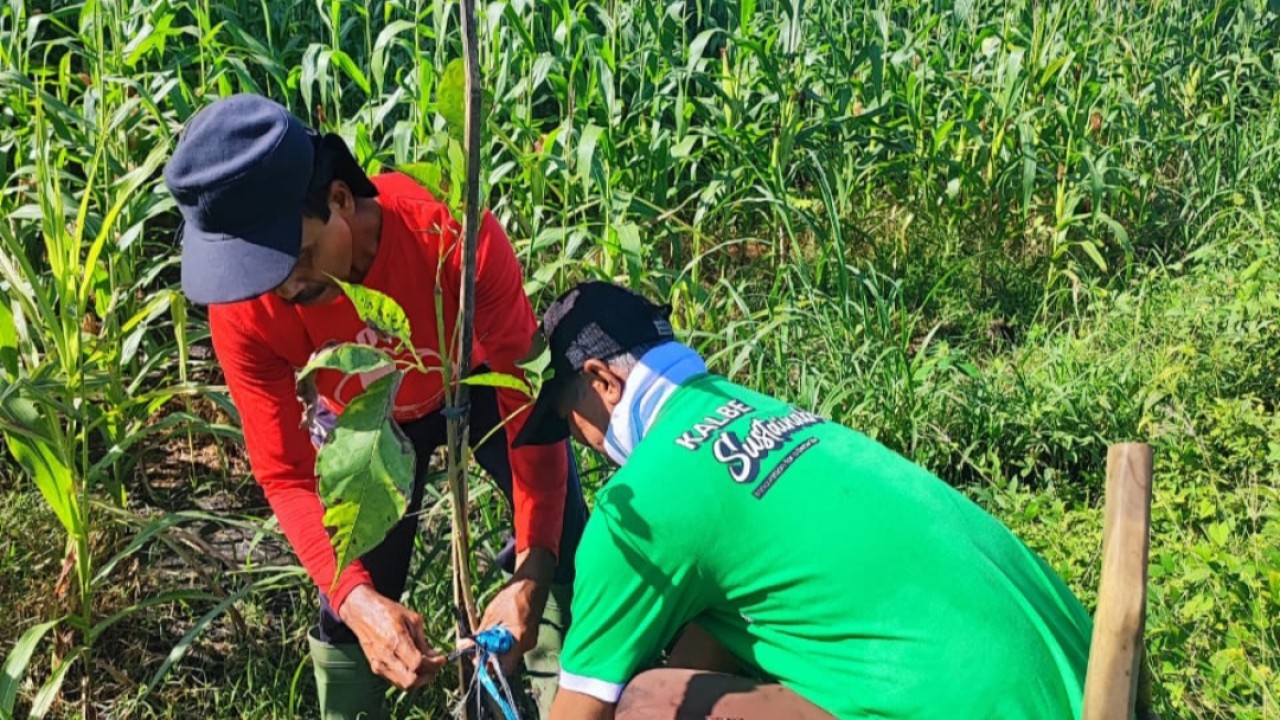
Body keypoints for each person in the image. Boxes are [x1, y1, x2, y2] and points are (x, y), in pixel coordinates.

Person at [162, 94, 588, 719]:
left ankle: (565, 686)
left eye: (298, 257)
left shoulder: (448, 236)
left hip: (471, 377)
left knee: (567, 545)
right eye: (255, 274)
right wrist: (358, 602)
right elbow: (285, 473)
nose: (284, 288)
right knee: (351, 597)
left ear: (339, 200)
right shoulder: (246, 305)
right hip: (368, 418)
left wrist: (534, 568)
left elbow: (528, 400)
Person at [513, 281, 1094, 720]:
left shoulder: (637, 507)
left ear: (603, 382)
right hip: (1084, 680)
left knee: (648, 702)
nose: (587, 444)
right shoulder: (762, 410)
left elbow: (580, 712)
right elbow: (729, 616)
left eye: (574, 421)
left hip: (971, 705)